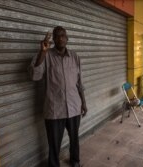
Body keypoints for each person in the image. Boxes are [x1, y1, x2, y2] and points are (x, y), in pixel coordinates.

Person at [28, 26, 87, 167]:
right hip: (55, 109)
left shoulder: (75, 57)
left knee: (74, 139)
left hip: (73, 106)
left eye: (63, 35)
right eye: (57, 36)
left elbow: (79, 83)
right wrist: (42, 51)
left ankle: (75, 161)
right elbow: (34, 75)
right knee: (54, 143)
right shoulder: (45, 56)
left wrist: (83, 103)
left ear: (67, 39)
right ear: (53, 39)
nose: (60, 38)